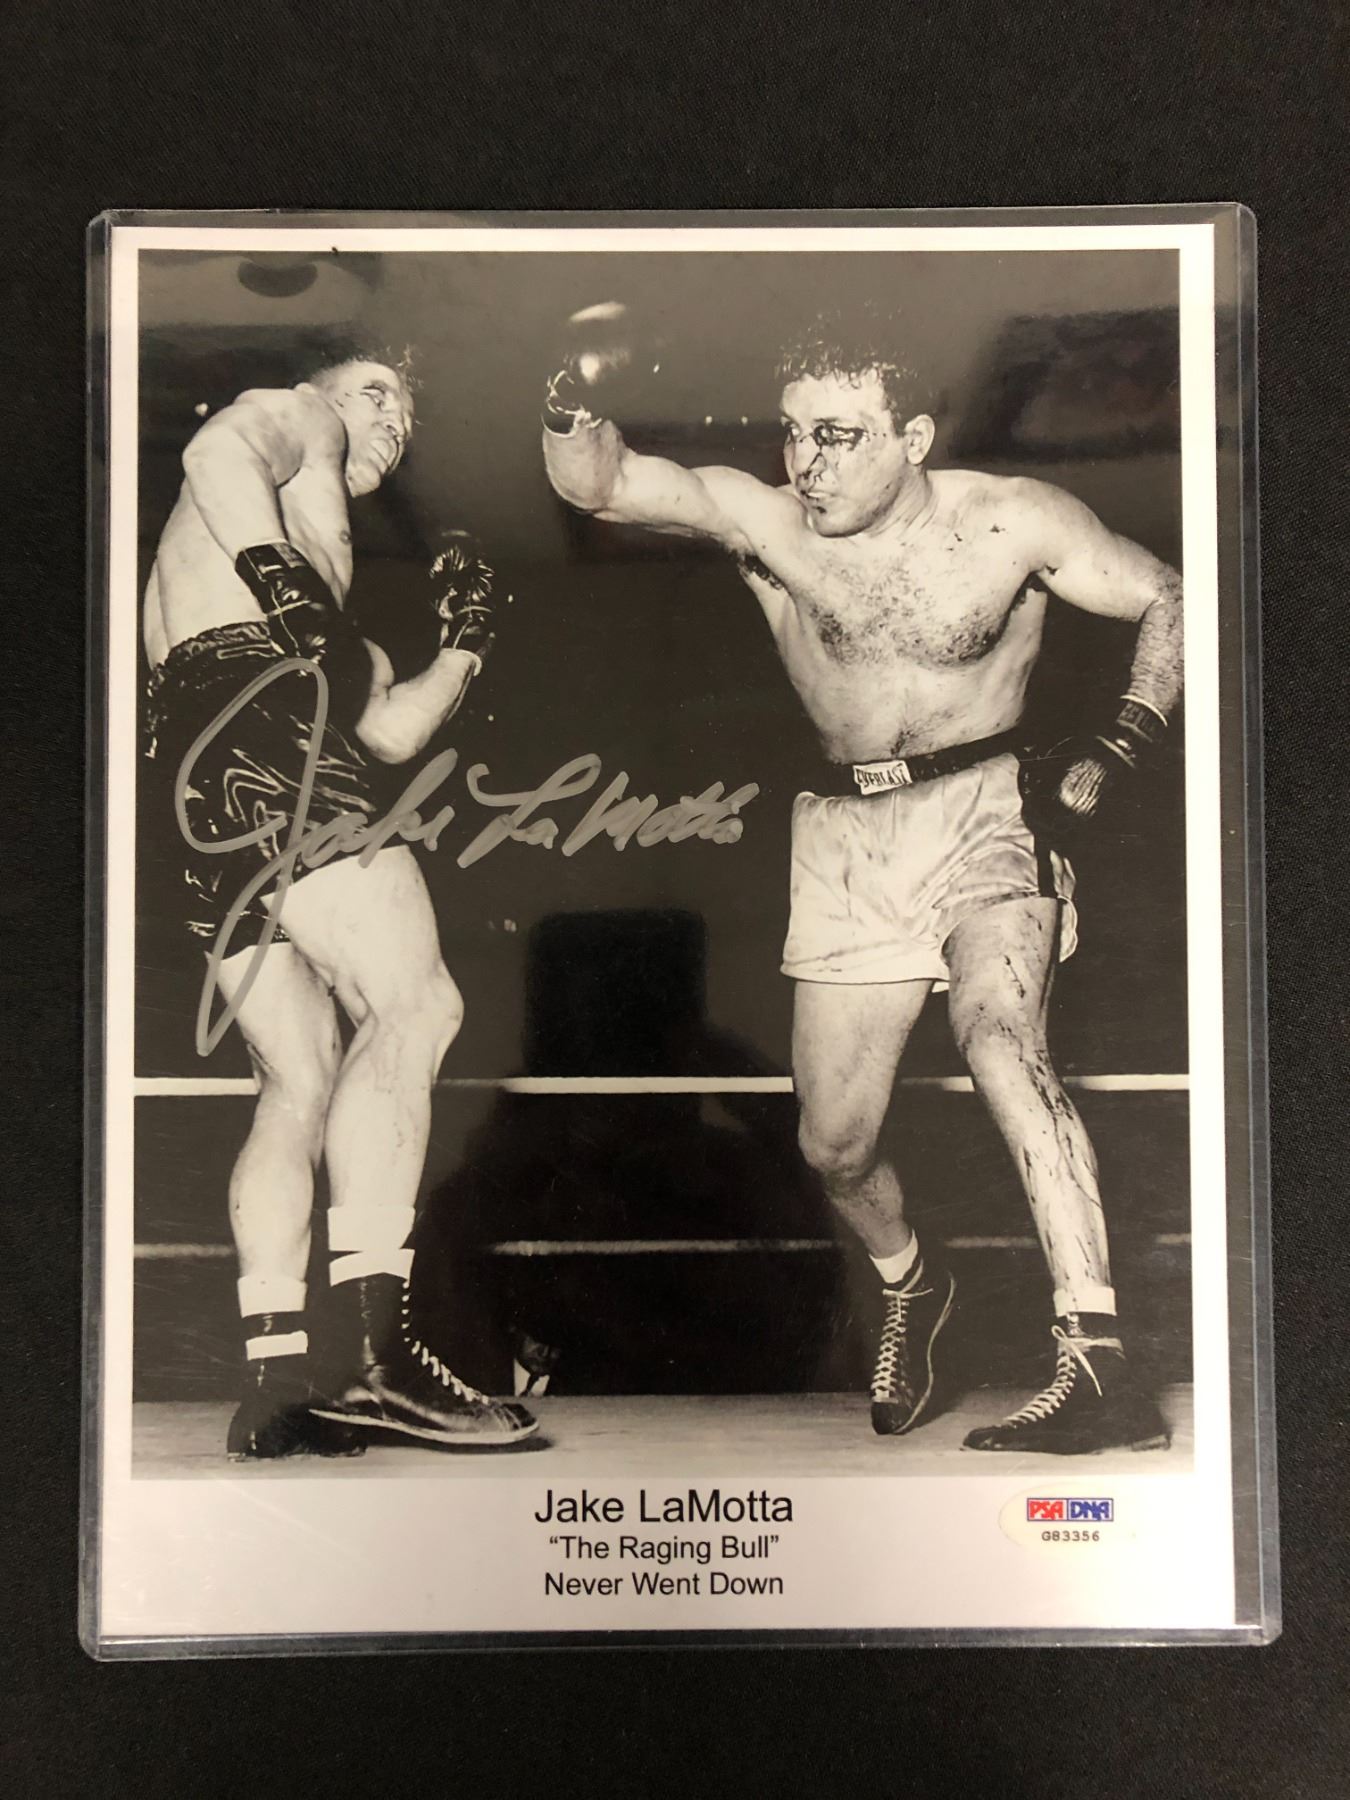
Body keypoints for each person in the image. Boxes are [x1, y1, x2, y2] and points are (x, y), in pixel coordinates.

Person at [541, 302, 1182, 1454]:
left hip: (987, 810)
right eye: (794, 432)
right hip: (847, 838)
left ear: (915, 437)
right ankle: (915, 1283)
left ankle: (1098, 1360)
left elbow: (1171, 595)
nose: (807, 462)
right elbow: (605, 486)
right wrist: (565, 398)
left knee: (1001, 1039)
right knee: (832, 1146)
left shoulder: (1012, 520)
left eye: (839, 435)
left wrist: (1126, 737)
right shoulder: (769, 523)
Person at [143, 352, 536, 1457]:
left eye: (407, 415)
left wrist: (465, 645)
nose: (394, 423)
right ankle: (377, 1357)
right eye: (380, 395)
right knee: (416, 1005)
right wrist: (284, 585)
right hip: (264, 713)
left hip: (196, 758)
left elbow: (388, 734)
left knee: (297, 1077)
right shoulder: (294, 415)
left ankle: (274, 1381)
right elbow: (214, 446)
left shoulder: (308, 604)